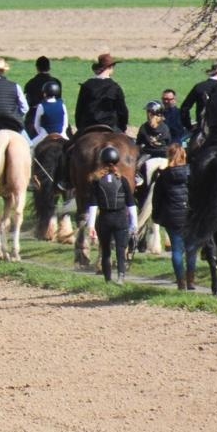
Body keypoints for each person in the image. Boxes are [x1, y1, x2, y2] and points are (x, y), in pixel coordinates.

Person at [84, 145, 136, 284]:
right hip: (121, 219)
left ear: (102, 161)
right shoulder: (123, 180)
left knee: (106, 250)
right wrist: (134, 224)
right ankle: (121, 277)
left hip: (104, 219)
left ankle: (107, 279)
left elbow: (93, 205)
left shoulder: (96, 181)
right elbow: (131, 204)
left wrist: (91, 226)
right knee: (120, 249)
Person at [151, 144, 192, 289]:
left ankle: (181, 281)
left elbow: (157, 198)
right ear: (184, 156)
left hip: (171, 216)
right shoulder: (191, 173)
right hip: (189, 214)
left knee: (176, 249)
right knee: (191, 248)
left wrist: (156, 215)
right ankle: (191, 280)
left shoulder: (163, 176)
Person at [76, 53, 129, 131]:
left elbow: (79, 110)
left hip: (88, 124)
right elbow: (122, 111)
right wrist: (122, 128)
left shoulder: (87, 85)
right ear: (111, 67)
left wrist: (80, 128)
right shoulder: (115, 87)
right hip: (110, 125)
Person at [22, 56, 56, 134]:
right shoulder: (56, 82)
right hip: (53, 114)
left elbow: (28, 103)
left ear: (37, 68)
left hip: (33, 115)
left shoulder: (30, 83)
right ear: (49, 68)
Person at [29, 81, 68, 148]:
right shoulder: (62, 105)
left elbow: (36, 125)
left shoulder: (41, 106)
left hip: (45, 134)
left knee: (29, 147)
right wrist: (63, 132)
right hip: (62, 134)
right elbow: (65, 123)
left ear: (45, 93)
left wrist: (41, 134)